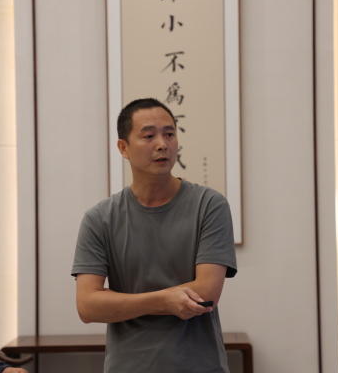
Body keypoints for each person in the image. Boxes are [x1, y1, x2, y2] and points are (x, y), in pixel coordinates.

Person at [72, 98, 238, 373]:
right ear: (123, 147)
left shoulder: (209, 205)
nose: (162, 144)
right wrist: (163, 300)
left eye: (169, 134)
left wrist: (120, 301)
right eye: (149, 136)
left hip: (198, 366)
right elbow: (88, 306)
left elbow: (207, 292)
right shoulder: (100, 218)